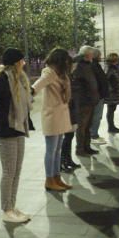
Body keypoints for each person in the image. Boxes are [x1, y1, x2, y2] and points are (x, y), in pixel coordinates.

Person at [0, 48, 35, 224]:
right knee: (9, 172)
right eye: (22, 61)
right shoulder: (1, 80)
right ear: (16, 62)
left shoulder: (19, 79)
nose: (24, 63)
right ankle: (6, 209)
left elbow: (25, 99)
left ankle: (12, 206)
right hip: (5, 130)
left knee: (17, 171)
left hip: (18, 128)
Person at [32, 47, 76, 192]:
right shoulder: (49, 73)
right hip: (52, 116)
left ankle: (57, 177)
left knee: (57, 150)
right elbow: (36, 87)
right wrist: (27, 93)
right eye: (65, 60)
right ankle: (49, 179)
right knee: (51, 150)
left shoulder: (60, 74)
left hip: (61, 115)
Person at [72, 46, 101, 156]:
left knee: (88, 126)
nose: (92, 56)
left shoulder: (87, 65)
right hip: (83, 102)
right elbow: (76, 85)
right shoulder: (78, 66)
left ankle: (87, 147)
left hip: (90, 101)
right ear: (86, 55)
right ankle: (80, 149)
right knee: (82, 127)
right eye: (91, 54)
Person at [89, 48, 109, 144]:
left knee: (97, 116)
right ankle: (93, 135)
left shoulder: (95, 65)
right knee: (96, 116)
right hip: (97, 96)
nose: (101, 57)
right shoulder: (93, 66)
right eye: (100, 55)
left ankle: (94, 134)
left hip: (100, 95)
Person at [104, 52, 119, 135]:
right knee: (110, 111)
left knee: (112, 110)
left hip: (114, 93)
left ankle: (112, 126)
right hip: (112, 94)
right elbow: (109, 81)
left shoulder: (113, 67)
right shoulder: (110, 68)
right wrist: (113, 89)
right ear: (114, 60)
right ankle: (111, 127)